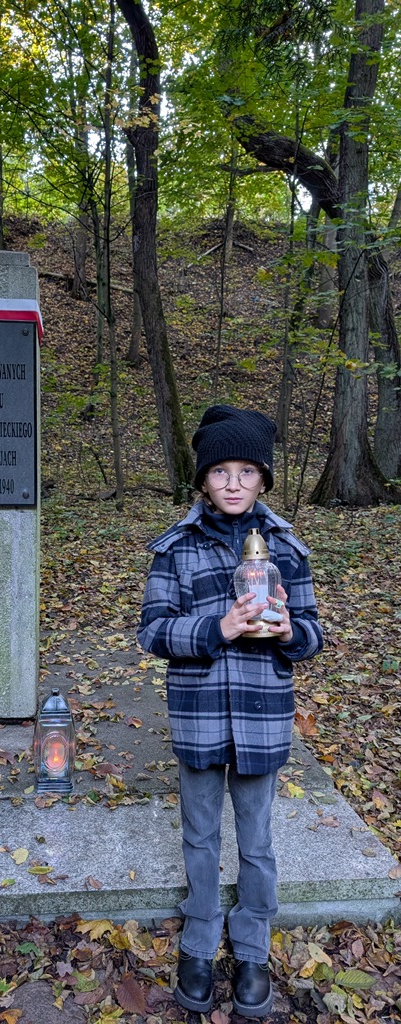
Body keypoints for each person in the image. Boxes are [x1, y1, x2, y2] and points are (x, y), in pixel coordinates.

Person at [137, 405, 323, 1019]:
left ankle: (251, 949)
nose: (235, 483)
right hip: (198, 714)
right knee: (199, 835)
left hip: (263, 714)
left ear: (264, 478)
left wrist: (291, 632)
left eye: (247, 471)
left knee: (259, 841)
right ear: (203, 481)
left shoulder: (287, 548)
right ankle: (197, 943)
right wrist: (215, 627)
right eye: (221, 471)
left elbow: (314, 637)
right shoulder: (174, 547)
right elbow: (154, 632)